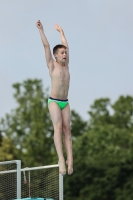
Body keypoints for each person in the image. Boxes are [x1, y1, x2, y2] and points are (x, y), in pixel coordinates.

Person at [36, 20, 73, 175]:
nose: (65, 55)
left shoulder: (67, 65)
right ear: (55, 55)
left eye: (65, 53)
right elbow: (46, 46)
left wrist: (62, 33)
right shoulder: (52, 64)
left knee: (67, 129)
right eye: (62, 53)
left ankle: (70, 160)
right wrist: (41, 30)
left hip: (65, 102)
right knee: (58, 128)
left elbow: (67, 46)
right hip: (54, 101)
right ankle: (60, 159)